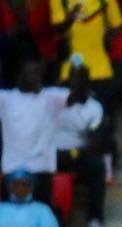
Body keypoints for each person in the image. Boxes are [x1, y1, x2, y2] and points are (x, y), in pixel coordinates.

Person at [0, 60, 78, 204]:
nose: (36, 77)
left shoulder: (51, 97)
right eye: (31, 73)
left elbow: (74, 98)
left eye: (38, 74)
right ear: (20, 76)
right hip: (12, 169)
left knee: (41, 213)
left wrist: (75, 80)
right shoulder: (6, 98)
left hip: (42, 170)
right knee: (11, 217)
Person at [54, 65, 108, 227]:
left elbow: (94, 141)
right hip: (48, 153)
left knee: (97, 166)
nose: (75, 84)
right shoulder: (54, 100)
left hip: (76, 154)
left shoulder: (95, 107)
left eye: (80, 79)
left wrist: (73, 153)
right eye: (73, 79)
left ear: (87, 82)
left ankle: (95, 220)